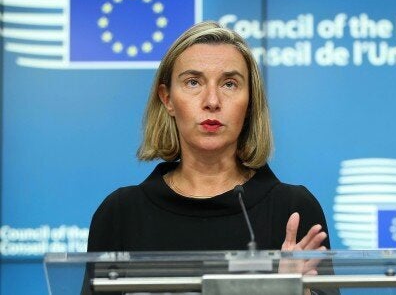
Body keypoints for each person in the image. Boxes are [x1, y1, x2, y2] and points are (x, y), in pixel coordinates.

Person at [87, 21, 331, 268]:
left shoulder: (293, 209)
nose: (212, 101)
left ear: (249, 102)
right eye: (193, 82)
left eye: (229, 84)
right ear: (167, 98)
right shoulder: (120, 213)